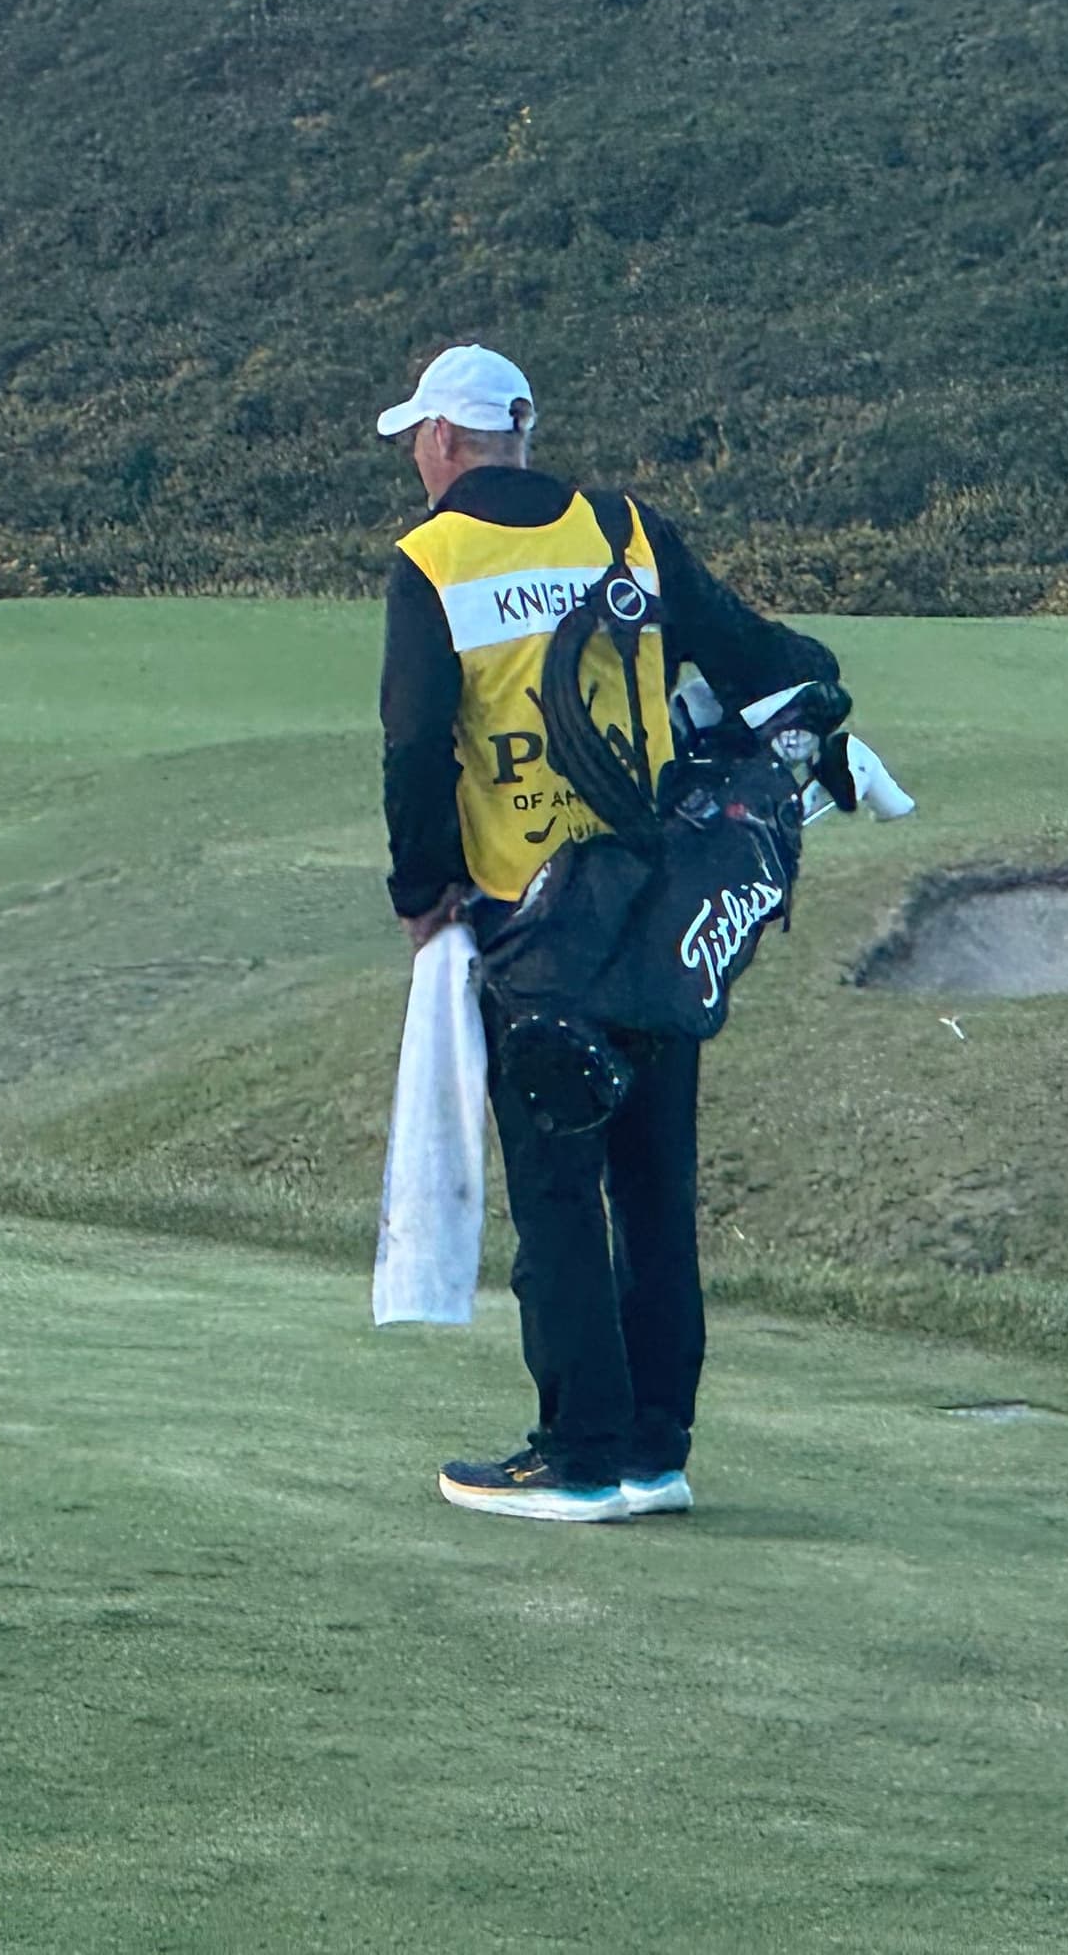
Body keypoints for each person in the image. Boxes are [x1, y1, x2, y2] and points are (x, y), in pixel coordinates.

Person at [375, 344, 838, 1522]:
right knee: (653, 1184)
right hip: (658, 908)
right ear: (517, 432)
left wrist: (420, 892)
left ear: (440, 441)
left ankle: (578, 1454)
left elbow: (415, 745)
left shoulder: (431, 560)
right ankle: (655, 1448)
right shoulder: (625, 530)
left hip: (531, 927)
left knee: (559, 1191)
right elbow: (759, 659)